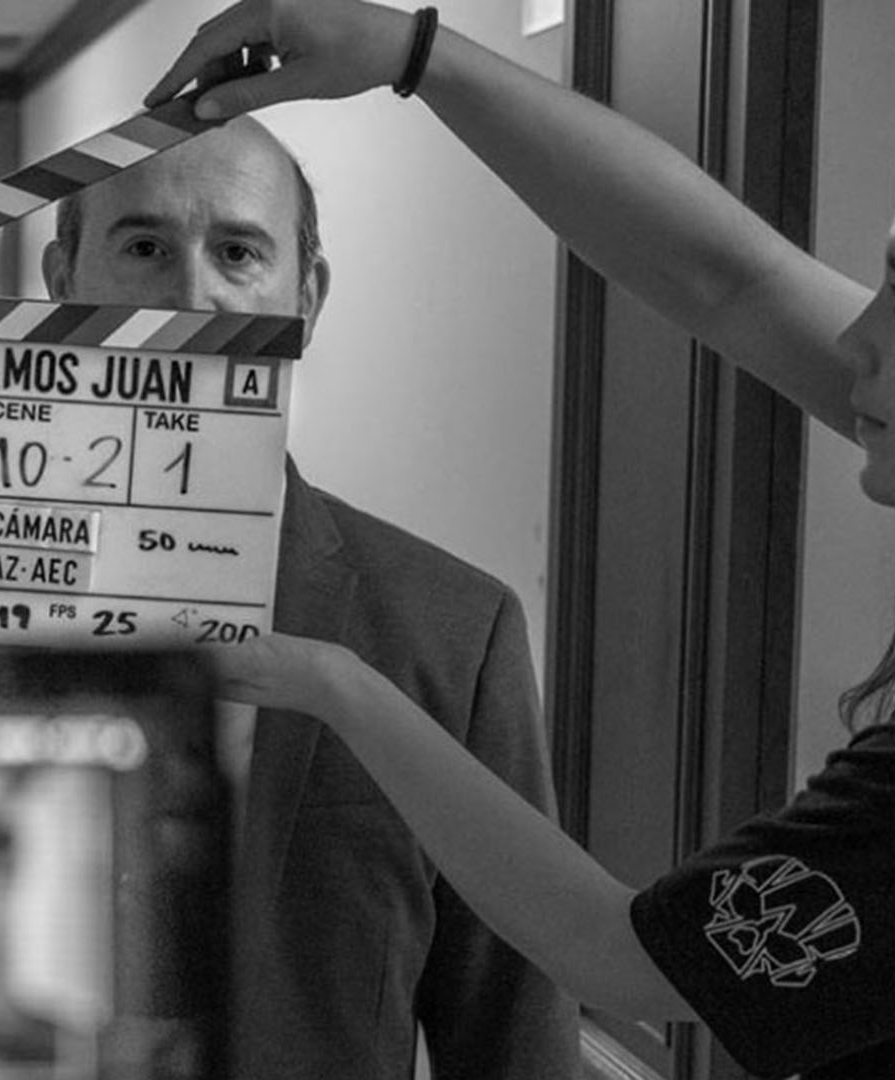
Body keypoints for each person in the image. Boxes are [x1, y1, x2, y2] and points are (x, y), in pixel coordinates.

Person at [146, 2, 895, 1078]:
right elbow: (727, 281)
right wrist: (415, 56)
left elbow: (620, 954)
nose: (859, 336)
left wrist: (336, 683)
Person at [42, 110, 578, 1077]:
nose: (192, 297)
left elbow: (512, 1029)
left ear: (307, 297)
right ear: (62, 283)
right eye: (145, 248)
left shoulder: (454, 632)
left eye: (238, 253)